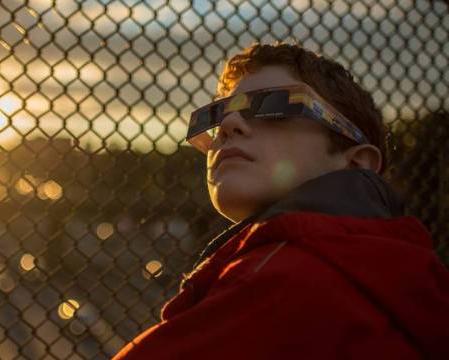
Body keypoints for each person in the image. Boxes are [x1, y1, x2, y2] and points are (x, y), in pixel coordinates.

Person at [113, 41, 449, 359]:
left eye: (274, 105)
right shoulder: (415, 275)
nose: (229, 125)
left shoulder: (281, 279)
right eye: (217, 117)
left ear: (356, 161)